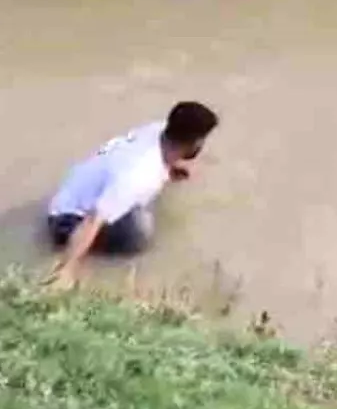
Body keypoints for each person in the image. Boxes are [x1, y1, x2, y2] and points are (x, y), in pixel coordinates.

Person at [45, 101, 218, 289]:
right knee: (141, 232)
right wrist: (67, 269)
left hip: (73, 191)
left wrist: (169, 169)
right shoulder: (137, 176)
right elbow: (93, 219)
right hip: (67, 221)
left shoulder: (156, 129)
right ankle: (75, 260)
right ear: (196, 142)